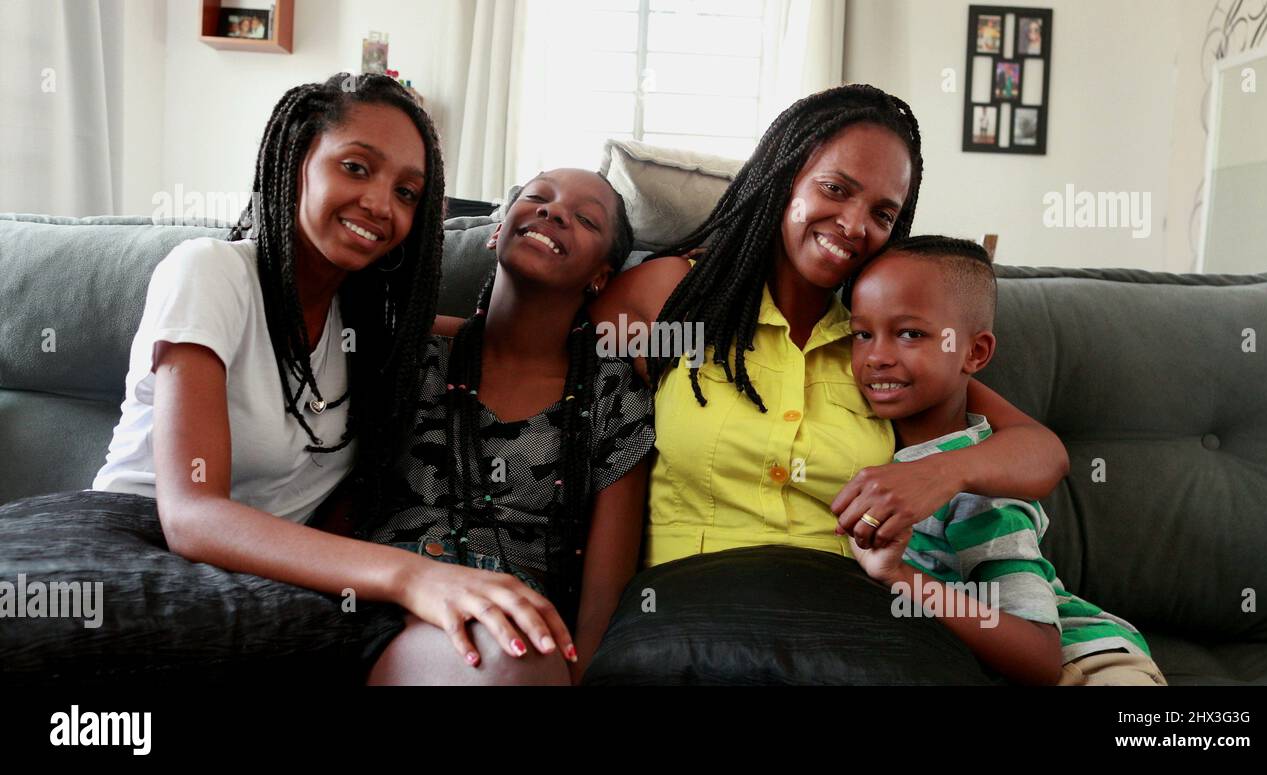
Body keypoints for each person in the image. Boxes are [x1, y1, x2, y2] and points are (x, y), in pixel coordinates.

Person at [89, 73, 579, 680]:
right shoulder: (211, 272)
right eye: (355, 167)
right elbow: (191, 516)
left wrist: (621, 336)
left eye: (406, 193)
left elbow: (502, 341)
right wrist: (416, 575)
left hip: (275, 582)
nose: (380, 203)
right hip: (141, 554)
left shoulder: (369, 324)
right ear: (298, 160)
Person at [588, 84, 1069, 577]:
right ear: (785, 179)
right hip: (694, 608)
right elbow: (563, 393)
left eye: (883, 213)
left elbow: (1042, 452)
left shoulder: (878, 347)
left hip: (845, 618)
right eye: (836, 189)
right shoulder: (675, 296)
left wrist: (940, 474)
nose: (855, 226)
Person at [360, 168, 654, 685]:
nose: (554, 211)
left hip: (508, 631)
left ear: (601, 277)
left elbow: (604, 595)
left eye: (584, 218)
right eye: (538, 197)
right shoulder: (415, 354)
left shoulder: (613, 395)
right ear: (497, 232)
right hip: (376, 593)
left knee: (513, 652)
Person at [843, 235, 1167, 686]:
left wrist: (899, 575)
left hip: (1089, 663)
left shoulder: (984, 490)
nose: (876, 356)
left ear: (974, 352)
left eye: (910, 333)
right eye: (862, 334)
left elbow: (1038, 657)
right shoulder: (862, 438)